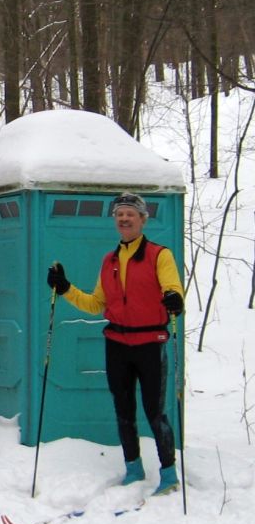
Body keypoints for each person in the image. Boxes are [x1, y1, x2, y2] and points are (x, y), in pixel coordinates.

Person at [46, 191, 184, 496]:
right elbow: (96, 304)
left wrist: (175, 298)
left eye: (130, 214)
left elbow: (172, 287)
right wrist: (66, 288)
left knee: (154, 411)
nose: (124, 219)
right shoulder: (109, 260)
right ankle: (133, 469)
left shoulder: (159, 255)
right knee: (123, 409)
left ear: (143, 219)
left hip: (150, 343)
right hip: (117, 344)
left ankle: (169, 474)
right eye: (119, 214)